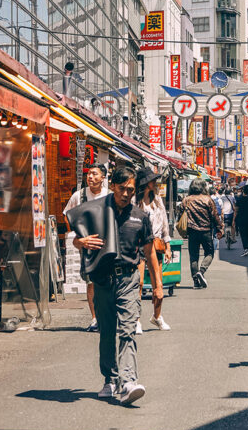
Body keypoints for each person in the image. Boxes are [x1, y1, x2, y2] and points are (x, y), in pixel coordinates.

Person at [70, 163, 160, 404]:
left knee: (128, 329)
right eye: (122, 188)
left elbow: (150, 252)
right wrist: (82, 242)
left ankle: (129, 380)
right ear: (112, 186)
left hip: (129, 278)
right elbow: (76, 240)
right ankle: (110, 379)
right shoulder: (96, 210)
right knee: (107, 332)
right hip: (102, 280)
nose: (126, 194)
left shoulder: (140, 216)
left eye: (130, 190)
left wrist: (157, 285)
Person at [64, 164, 108, 332]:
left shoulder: (109, 196)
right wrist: (78, 235)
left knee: (107, 282)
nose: (90, 177)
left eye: (94, 174)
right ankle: (95, 318)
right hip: (87, 246)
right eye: (89, 174)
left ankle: (107, 315)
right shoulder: (79, 195)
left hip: (106, 244)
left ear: (103, 178)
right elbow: (67, 215)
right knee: (91, 283)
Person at [137, 168, 172, 332]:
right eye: (152, 180)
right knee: (139, 283)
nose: (155, 183)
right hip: (138, 246)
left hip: (156, 245)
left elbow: (164, 223)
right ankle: (135, 319)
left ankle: (157, 317)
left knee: (159, 285)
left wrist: (168, 246)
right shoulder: (135, 202)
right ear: (145, 182)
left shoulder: (157, 200)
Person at [178, 177, 223, 287]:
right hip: (206, 231)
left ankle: (196, 281)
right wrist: (219, 229)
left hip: (192, 232)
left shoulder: (186, 200)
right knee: (209, 252)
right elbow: (215, 216)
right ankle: (201, 271)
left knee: (193, 256)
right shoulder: (208, 199)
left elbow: (180, 215)